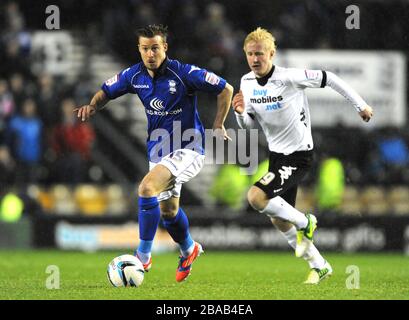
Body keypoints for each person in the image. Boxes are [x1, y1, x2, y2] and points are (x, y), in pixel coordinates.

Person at [74, 24, 233, 282]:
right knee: (169, 212)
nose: (150, 54)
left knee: (147, 188)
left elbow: (225, 89)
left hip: (188, 148)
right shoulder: (133, 75)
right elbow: (106, 91)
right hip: (158, 152)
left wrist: (218, 123)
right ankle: (189, 249)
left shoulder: (183, 73)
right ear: (139, 49)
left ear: (165, 48)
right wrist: (93, 106)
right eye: (145, 48)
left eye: (155, 48)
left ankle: (143, 257)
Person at [232, 27, 373, 284]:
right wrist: (241, 114)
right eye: (250, 54)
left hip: (299, 155)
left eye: (260, 54)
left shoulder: (289, 78)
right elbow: (248, 126)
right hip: (277, 156)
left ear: (272, 53)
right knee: (277, 217)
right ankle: (319, 265)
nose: (255, 59)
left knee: (255, 196)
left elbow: (329, 78)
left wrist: (360, 105)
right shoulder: (246, 82)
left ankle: (305, 221)